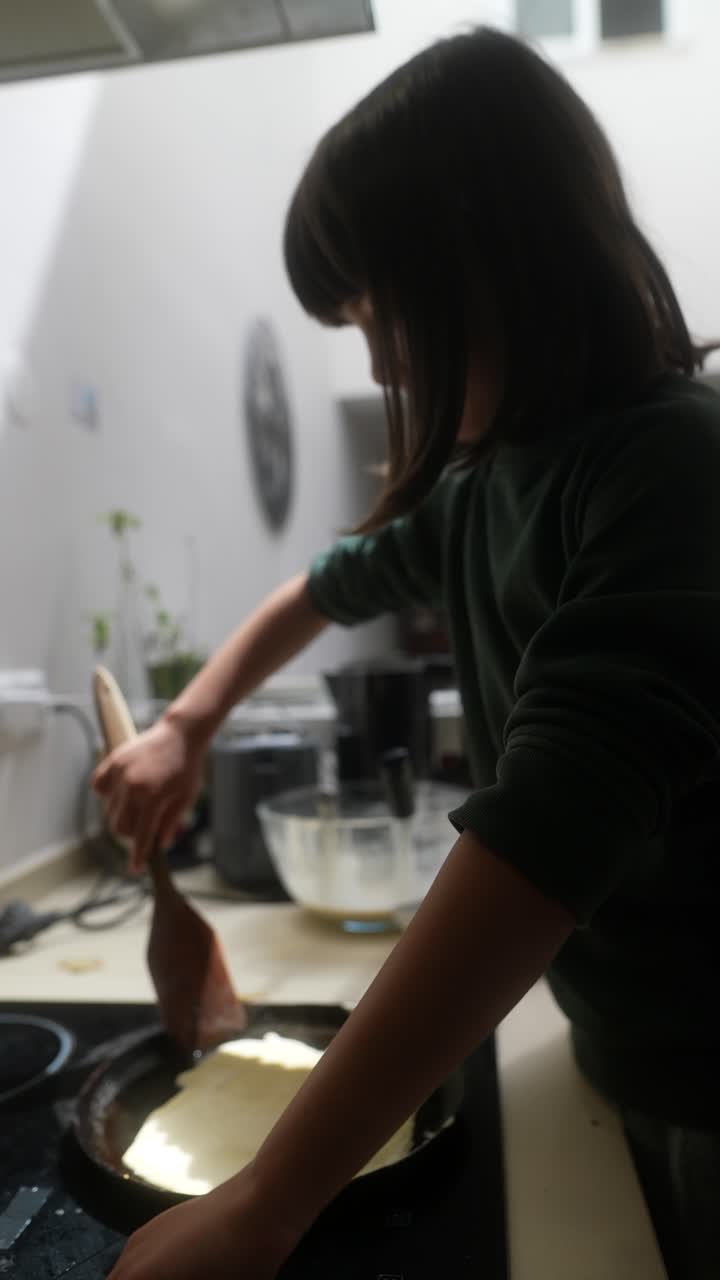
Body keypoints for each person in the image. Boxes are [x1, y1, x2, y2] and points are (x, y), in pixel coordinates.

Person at [97, 27, 720, 1280]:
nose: (375, 361)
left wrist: (269, 1197)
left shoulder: (672, 467)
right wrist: (189, 723)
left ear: (498, 270)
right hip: (610, 1043)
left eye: (380, 315)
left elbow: (549, 828)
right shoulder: (485, 486)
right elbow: (319, 589)